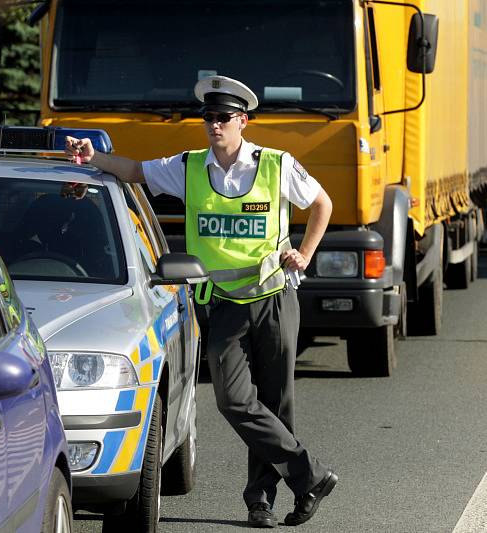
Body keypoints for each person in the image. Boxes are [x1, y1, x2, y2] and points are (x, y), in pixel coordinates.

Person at [65, 75, 336, 528]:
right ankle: (309, 476)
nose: (214, 124)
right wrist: (95, 158)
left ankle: (262, 501)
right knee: (233, 400)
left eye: (223, 118)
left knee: (276, 402)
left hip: (274, 298)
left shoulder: (275, 164)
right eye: (208, 117)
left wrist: (303, 254)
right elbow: (135, 171)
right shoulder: (190, 167)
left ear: (243, 122)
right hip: (226, 303)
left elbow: (322, 204)